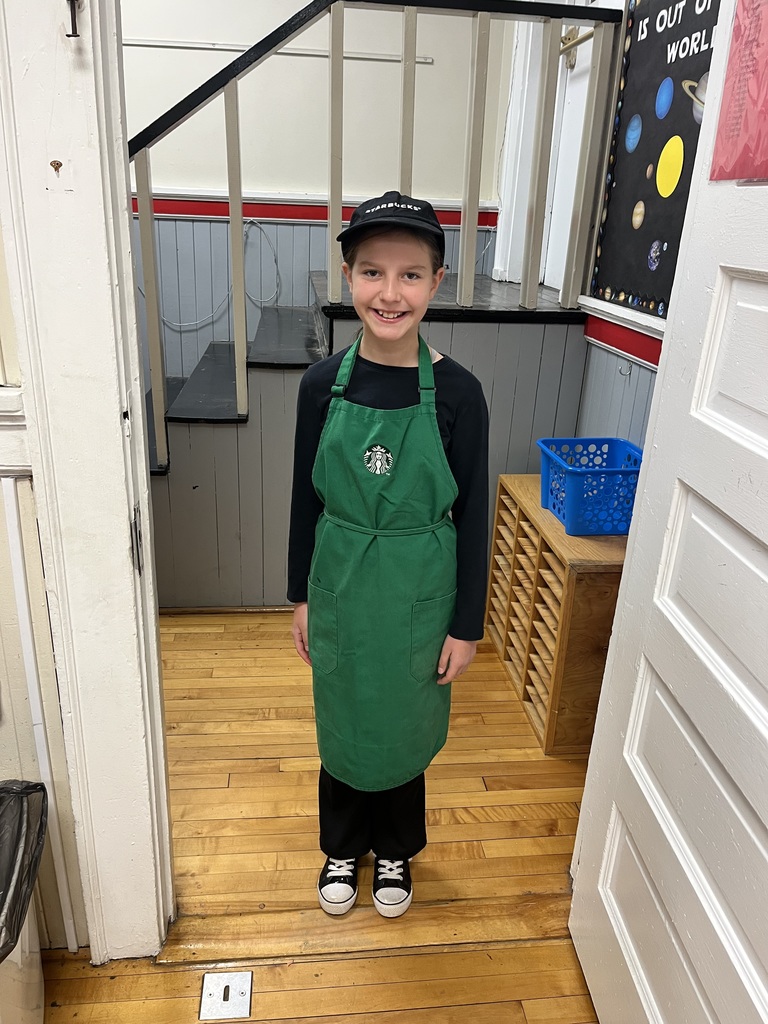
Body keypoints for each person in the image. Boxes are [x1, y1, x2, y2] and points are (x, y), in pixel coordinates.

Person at [288, 191, 489, 918]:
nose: (390, 292)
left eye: (410, 275)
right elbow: (304, 500)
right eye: (372, 272)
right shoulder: (320, 387)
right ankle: (343, 844)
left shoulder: (458, 394)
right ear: (348, 277)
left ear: (437, 283)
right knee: (345, 717)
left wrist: (467, 625)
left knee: (402, 723)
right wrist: (302, 596)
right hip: (340, 581)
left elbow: (472, 518)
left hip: (418, 591)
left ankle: (397, 848)